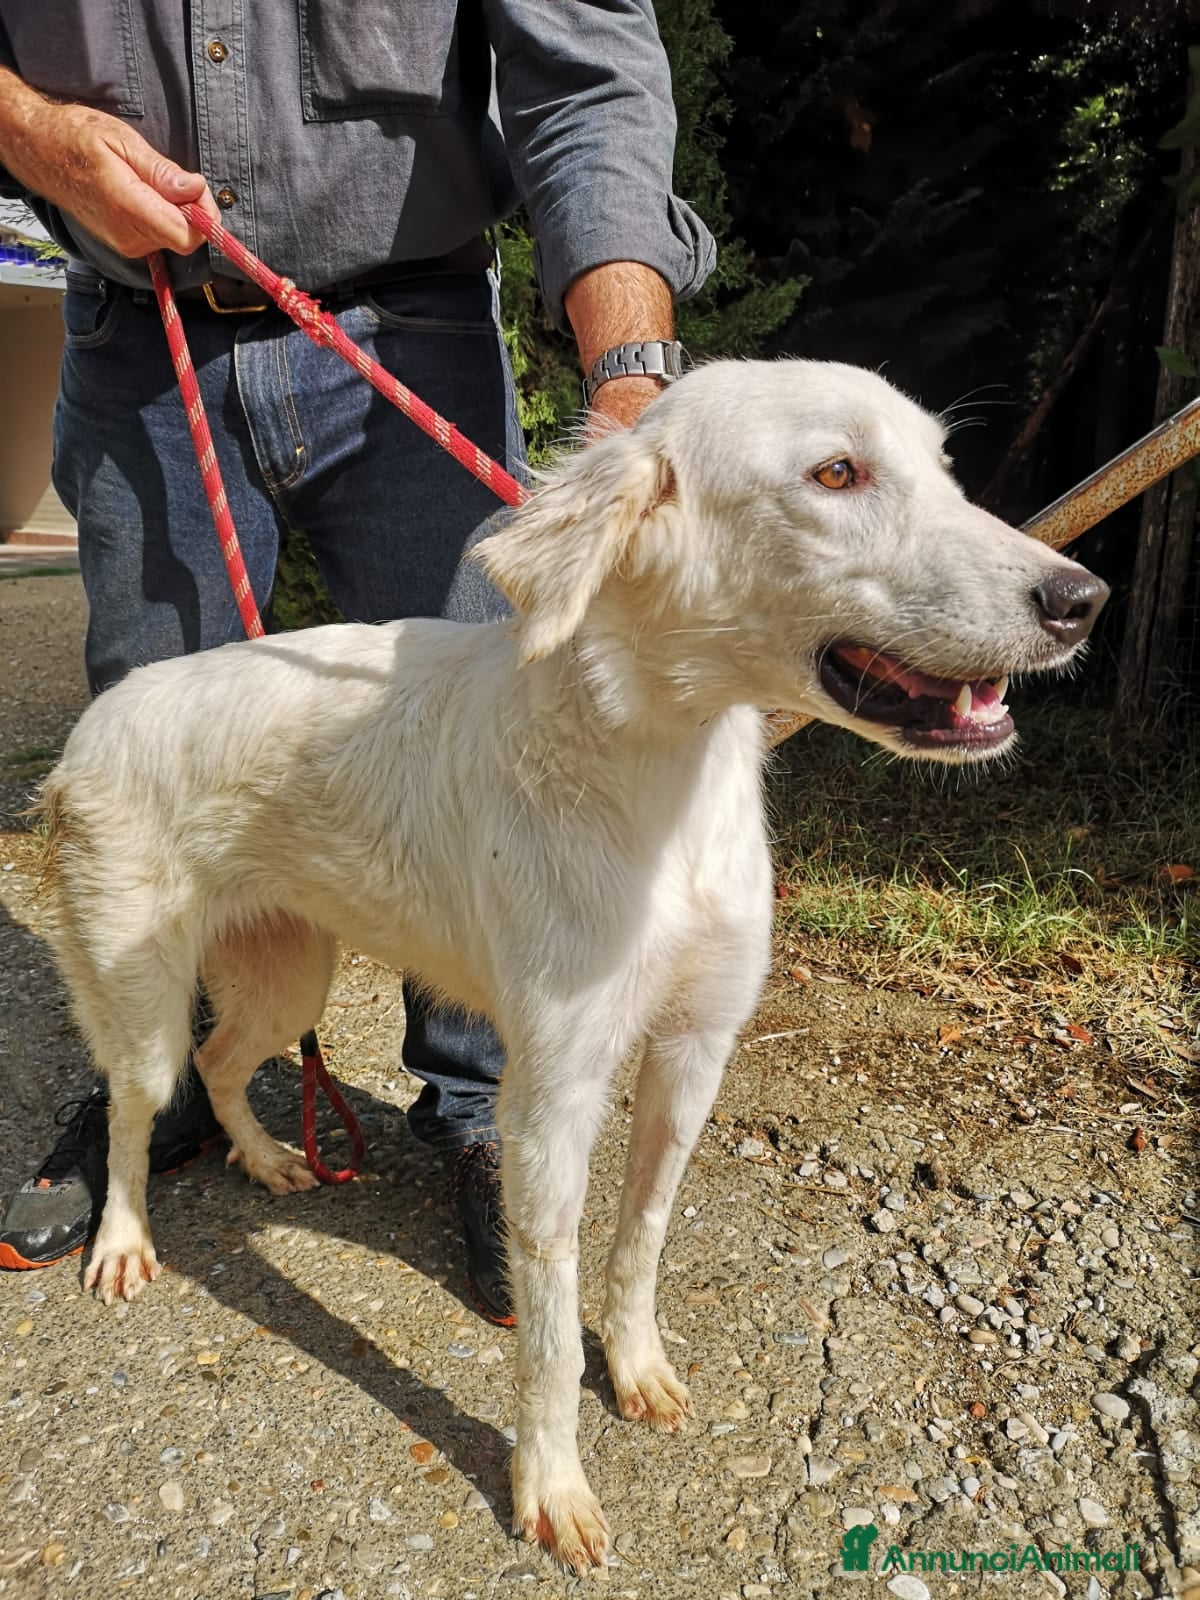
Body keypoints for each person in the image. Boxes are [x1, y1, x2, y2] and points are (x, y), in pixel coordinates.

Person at [0, 4, 714, 1324]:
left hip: (415, 327)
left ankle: (470, 1101)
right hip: (132, 337)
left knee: (485, 763)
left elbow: (591, 77)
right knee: (155, 776)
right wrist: (28, 128)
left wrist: (632, 372)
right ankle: (148, 1085)